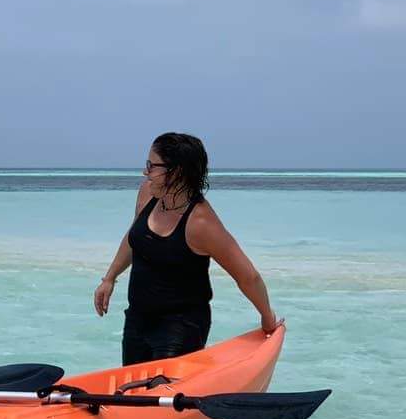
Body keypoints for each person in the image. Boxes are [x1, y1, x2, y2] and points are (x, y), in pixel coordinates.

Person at [94, 133, 284, 366]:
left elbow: (247, 276)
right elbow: (136, 238)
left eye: (152, 166)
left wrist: (267, 319)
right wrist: (110, 278)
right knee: (133, 393)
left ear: (177, 172)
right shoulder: (148, 194)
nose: (146, 172)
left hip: (180, 327)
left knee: (162, 394)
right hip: (137, 319)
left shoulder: (201, 223)